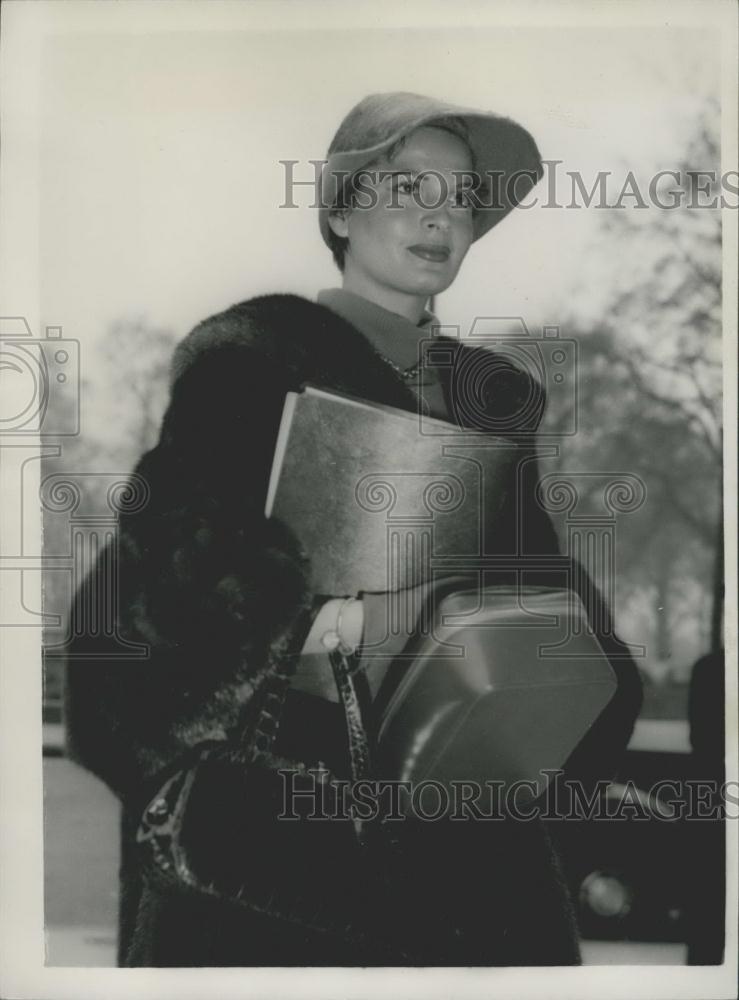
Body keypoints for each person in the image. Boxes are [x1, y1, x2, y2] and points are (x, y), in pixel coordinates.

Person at [64, 92, 642, 966]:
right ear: (338, 207)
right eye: (406, 186)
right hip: (286, 860)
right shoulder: (249, 373)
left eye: (460, 200)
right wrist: (338, 623)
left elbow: (553, 621)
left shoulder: (491, 403)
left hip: (472, 848)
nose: (438, 218)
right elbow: (144, 623)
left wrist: (555, 658)